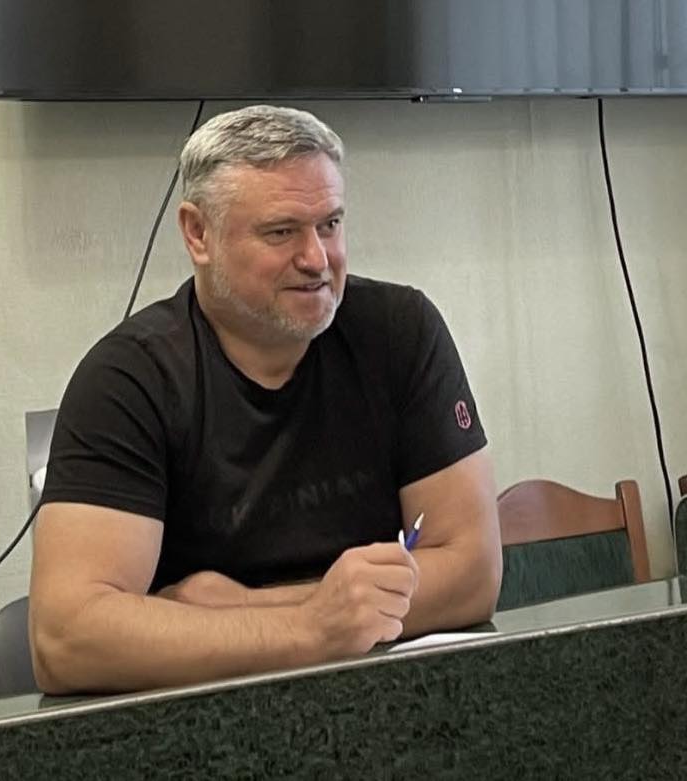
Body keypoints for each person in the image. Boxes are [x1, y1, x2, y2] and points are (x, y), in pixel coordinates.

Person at [29, 105, 502, 694]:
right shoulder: (127, 380)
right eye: (281, 232)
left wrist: (255, 609)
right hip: (205, 717)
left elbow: (473, 573)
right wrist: (312, 628)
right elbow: (66, 639)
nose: (317, 259)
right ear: (198, 234)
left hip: (388, 698)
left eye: (330, 224)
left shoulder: (399, 332)